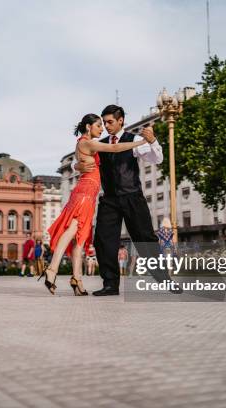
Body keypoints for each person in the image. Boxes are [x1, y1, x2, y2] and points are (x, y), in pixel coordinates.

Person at [74, 105, 182, 295]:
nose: (106, 126)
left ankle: (165, 280)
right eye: (104, 122)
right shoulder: (102, 144)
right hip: (109, 200)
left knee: (145, 239)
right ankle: (110, 284)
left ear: (121, 120)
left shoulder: (134, 140)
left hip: (133, 197)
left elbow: (157, 159)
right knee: (103, 240)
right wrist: (78, 166)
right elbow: (83, 158)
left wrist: (153, 140)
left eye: (110, 122)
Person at [42, 113, 147, 296]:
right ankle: (52, 269)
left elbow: (78, 163)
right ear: (89, 127)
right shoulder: (87, 142)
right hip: (84, 194)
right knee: (71, 232)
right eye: (99, 125)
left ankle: (77, 280)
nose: (102, 128)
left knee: (80, 239)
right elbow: (115, 148)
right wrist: (141, 142)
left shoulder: (85, 143)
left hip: (88, 195)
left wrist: (77, 167)